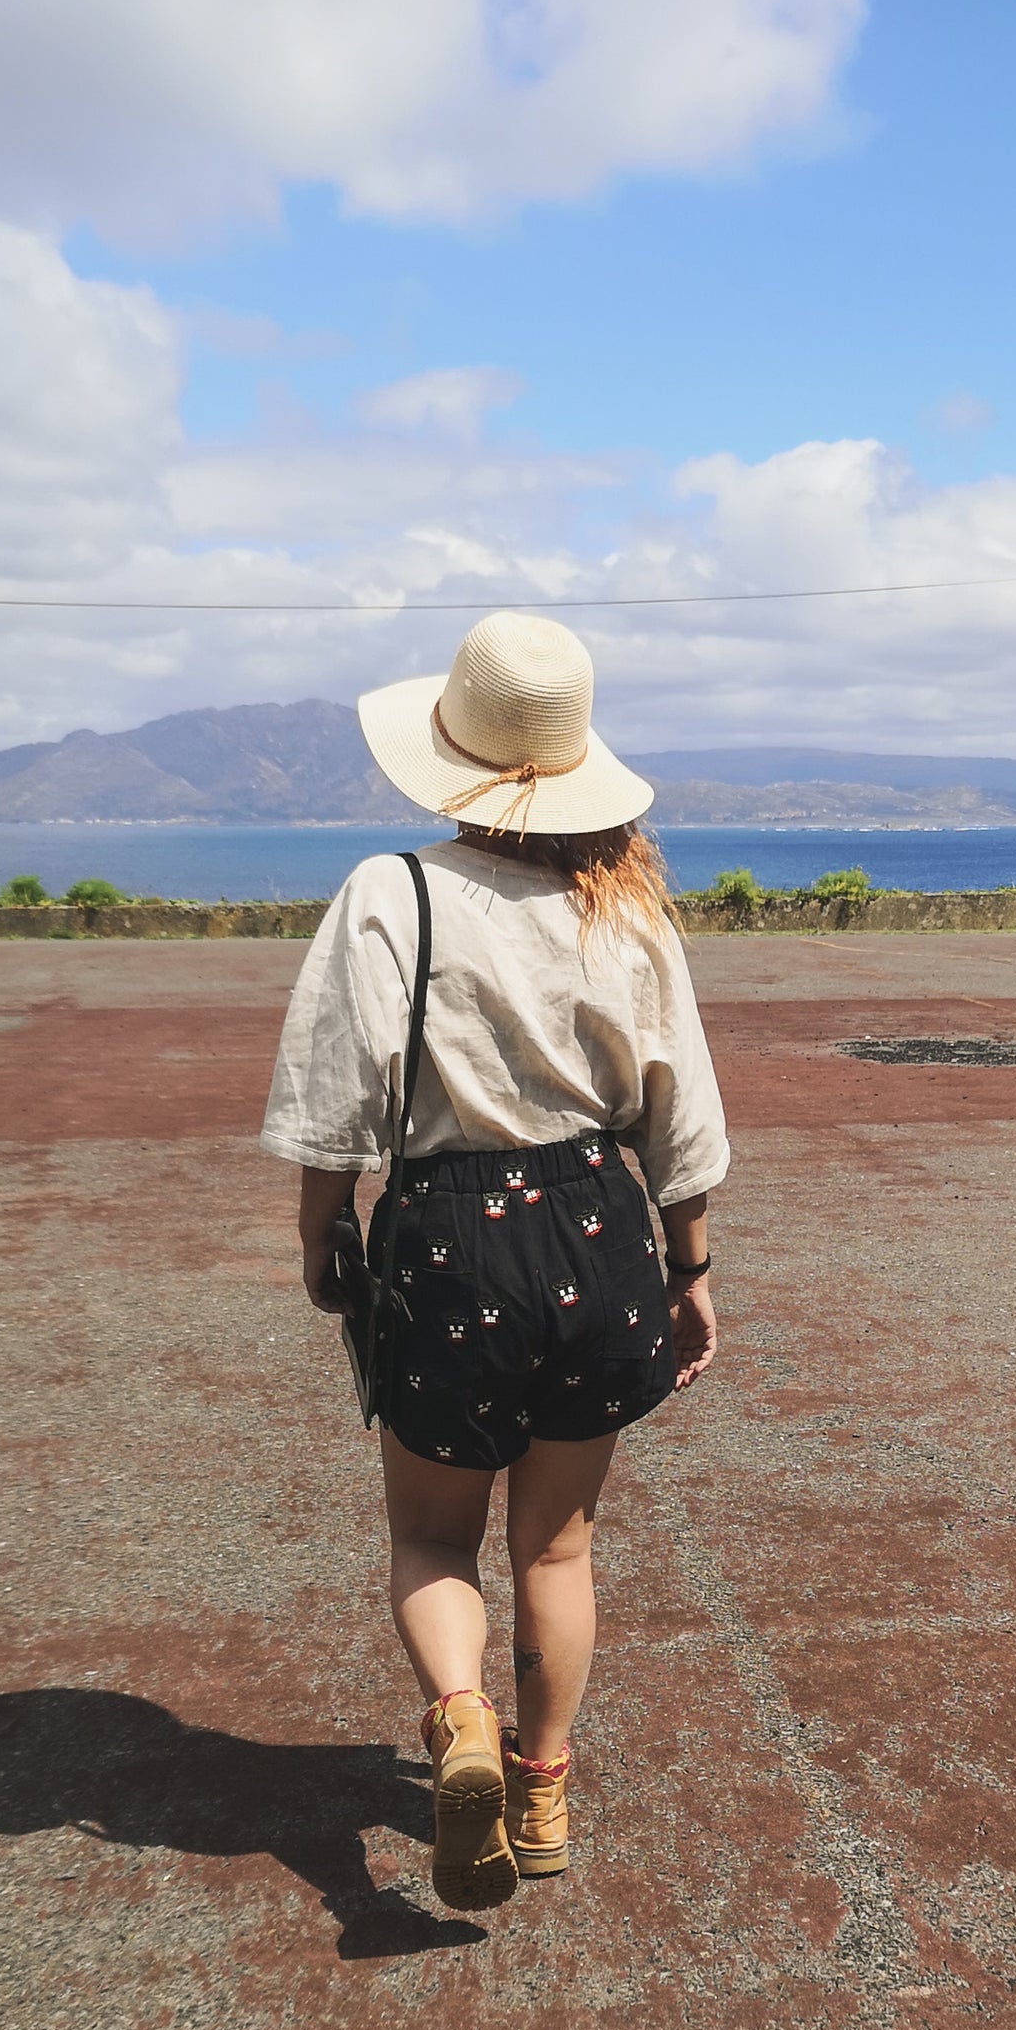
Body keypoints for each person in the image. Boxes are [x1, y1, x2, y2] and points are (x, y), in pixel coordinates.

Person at [262, 612, 729, 1913]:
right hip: (596, 1222)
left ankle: (459, 1718)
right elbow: (676, 1110)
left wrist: (322, 1233)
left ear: (451, 748)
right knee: (559, 1551)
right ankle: (541, 1784)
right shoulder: (621, 903)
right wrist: (691, 1269)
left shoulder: (388, 894)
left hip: (445, 1241)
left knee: (429, 1538)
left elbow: (332, 1094)